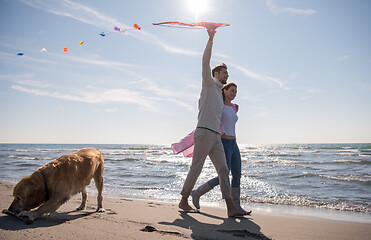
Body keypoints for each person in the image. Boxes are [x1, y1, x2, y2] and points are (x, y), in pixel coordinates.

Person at [178, 28, 248, 217]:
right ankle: (184, 199)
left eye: (227, 73)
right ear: (216, 74)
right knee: (196, 168)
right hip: (204, 133)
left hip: (216, 136)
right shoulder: (208, 84)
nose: (227, 75)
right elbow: (205, 62)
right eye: (224, 73)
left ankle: (231, 208)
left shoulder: (219, 93)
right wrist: (210, 38)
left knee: (224, 170)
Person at [191, 82, 251, 214]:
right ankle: (197, 192)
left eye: (236, 91)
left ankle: (237, 207)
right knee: (223, 176)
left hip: (234, 144)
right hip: (223, 142)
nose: (234, 93)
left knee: (237, 175)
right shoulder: (219, 106)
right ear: (224, 91)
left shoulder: (235, 107)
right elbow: (211, 117)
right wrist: (220, 131)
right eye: (232, 91)